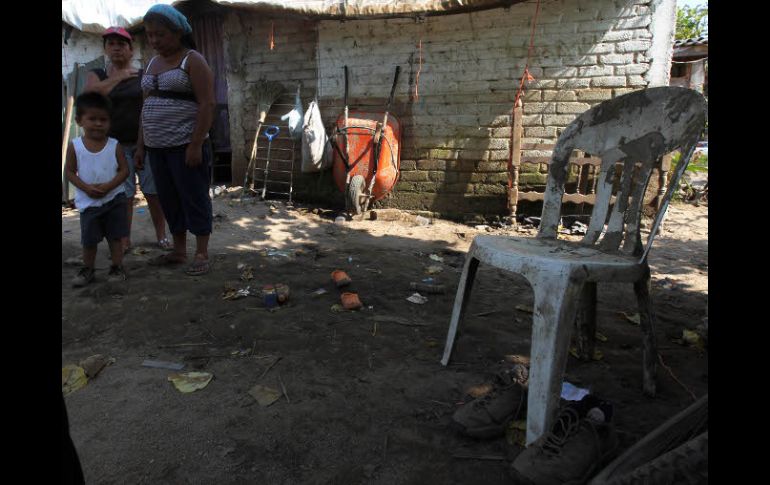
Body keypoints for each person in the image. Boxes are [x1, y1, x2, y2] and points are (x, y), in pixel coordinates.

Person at [139, 4, 216, 276]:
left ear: (178, 32)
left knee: (194, 197)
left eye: (160, 34)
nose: (154, 40)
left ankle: (202, 253)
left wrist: (196, 144)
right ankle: (179, 251)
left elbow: (207, 104)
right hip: (156, 147)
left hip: (185, 146)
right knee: (169, 199)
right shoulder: (152, 63)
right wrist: (141, 146)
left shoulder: (193, 60)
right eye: (150, 35)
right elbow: (145, 107)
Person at [84, 26, 171, 253]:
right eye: (111, 44)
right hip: (115, 146)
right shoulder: (98, 74)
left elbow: (148, 108)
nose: (116, 48)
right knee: (124, 195)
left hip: (146, 143)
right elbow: (90, 95)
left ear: (131, 50)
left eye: (121, 44)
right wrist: (119, 77)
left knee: (153, 192)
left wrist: (143, 144)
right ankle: (124, 239)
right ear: (105, 49)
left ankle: (161, 235)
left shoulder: (142, 75)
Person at [64, 92, 130, 287]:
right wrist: (86, 188)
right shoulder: (75, 146)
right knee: (89, 240)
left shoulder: (114, 145)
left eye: (103, 119)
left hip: (114, 200)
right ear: (79, 120)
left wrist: (109, 186)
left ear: (110, 121)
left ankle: (117, 267)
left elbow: (124, 170)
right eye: (92, 119)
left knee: (115, 237)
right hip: (89, 203)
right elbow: (69, 172)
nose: (98, 124)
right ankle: (88, 269)